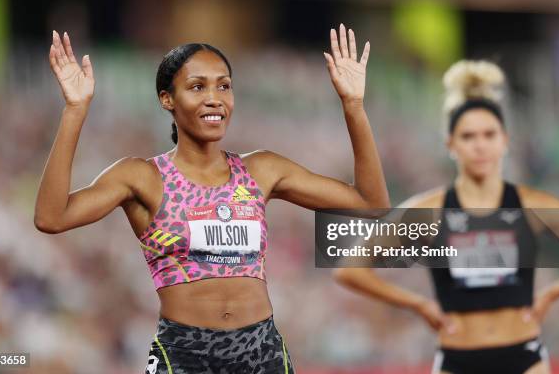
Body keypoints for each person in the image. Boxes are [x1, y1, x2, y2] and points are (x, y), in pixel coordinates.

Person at [34, 24, 390, 373]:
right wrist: (75, 111)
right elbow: (52, 218)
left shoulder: (262, 170)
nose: (214, 98)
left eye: (224, 86)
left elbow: (371, 205)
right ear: (167, 98)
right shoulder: (141, 177)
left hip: (260, 353)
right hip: (184, 355)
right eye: (197, 86)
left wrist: (354, 106)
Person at [334, 60, 559, 374]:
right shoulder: (429, 210)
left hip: (524, 357)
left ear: (504, 140)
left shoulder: (532, 205)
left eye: (488, 134)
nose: (480, 145)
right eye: (468, 136)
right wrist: (419, 305)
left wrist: (551, 294)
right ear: (450, 144)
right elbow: (350, 269)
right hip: (457, 358)